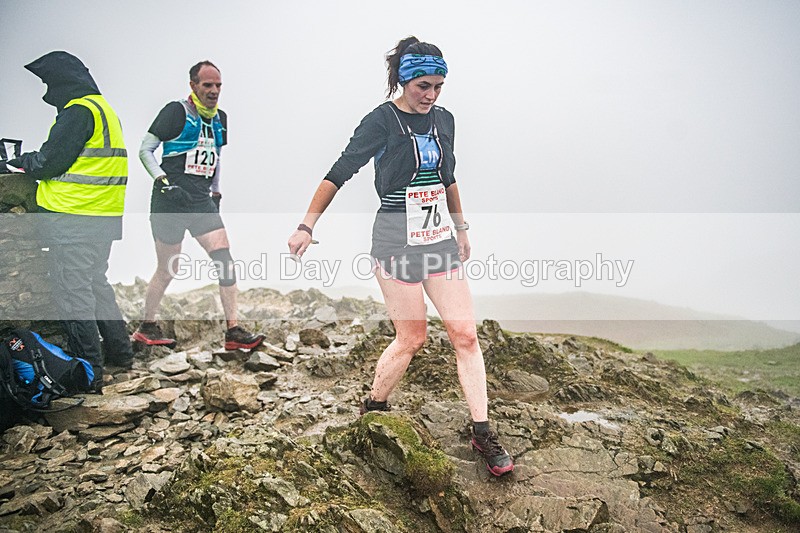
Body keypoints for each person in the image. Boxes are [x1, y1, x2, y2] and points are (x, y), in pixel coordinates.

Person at [287, 37, 514, 476]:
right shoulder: (382, 121)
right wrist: (306, 225)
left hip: (438, 239)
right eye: (423, 86)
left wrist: (461, 228)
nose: (431, 95)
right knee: (412, 339)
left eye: (438, 86)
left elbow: (447, 177)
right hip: (394, 240)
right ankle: (374, 406)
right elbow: (338, 173)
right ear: (404, 80)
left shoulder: (444, 120)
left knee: (465, 334)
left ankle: (483, 433)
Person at [3, 51, 135, 388]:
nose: (47, 90)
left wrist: (18, 162)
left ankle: (90, 374)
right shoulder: (104, 110)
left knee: (74, 294)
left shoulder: (78, 112)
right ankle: (122, 353)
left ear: (63, 82)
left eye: (49, 83)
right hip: (103, 215)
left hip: (74, 217)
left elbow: (50, 161)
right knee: (96, 284)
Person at [135, 60, 265, 351]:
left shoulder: (221, 119)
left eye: (218, 85)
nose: (214, 91)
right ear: (193, 85)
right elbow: (145, 149)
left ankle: (233, 331)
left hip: (200, 200)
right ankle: (146, 326)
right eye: (208, 85)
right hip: (170, 200)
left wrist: (216, 194)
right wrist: (163, 181)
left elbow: (216, 157)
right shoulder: (176, 111)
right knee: (168, 268)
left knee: (225, 261)